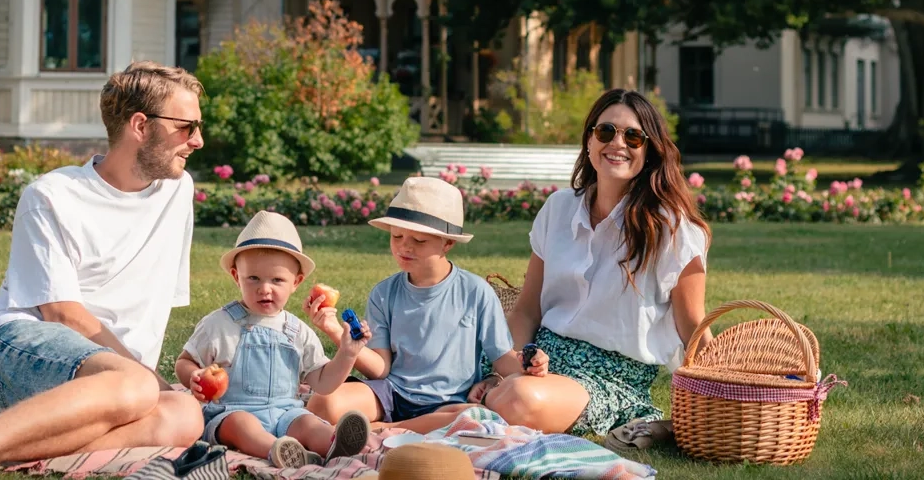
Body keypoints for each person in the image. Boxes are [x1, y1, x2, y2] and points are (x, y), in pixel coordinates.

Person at [0, 61, 209, 480]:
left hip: (112, 390)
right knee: (140, 385)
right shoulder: (53, 196)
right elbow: (63, 315)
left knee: (185, 417)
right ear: (140, 125)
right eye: (186, 127)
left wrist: (163, 389)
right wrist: (150, 382)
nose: (198, 140)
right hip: (16, 356)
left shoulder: (177, 191)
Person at [473, 89, 713, 448]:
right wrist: (502, 369)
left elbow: (693, 325)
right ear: (589, 141)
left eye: (633, 137)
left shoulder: (674, 230)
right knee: (434, 354)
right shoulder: (558, 208)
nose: (617, 143)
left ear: (649, 151)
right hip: (536, 357)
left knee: (520, 400)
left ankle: (469, 409)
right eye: (606, 131)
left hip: (610, 379)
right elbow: (526, 311)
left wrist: (727, 387)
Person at [304, 177, 547, 434]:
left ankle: (384, 429)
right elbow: (380, 369)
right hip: (392, 393)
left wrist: (529, 365)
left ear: (448, 243)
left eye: (419, 240)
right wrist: (335, 331)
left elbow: (502, 359)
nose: (404, 246)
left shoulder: (475, 292)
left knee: (475, 416)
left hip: (450, 401)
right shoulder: (383, 293)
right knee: (322, 403)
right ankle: (397, 428)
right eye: (397, 236)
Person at [174, 210, 373, 468]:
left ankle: (333, 444)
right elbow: (185, 360)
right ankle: (275, 450)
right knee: (241, 426)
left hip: (285, 412)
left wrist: (348, 353)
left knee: (308, 423)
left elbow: (324, 383)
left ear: (296, 282)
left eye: (277, 280)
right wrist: (193, 375)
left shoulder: (297, 331)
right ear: (236, 277)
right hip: (232, 410)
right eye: (253, 278)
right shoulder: (219, 324)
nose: (264, 288)